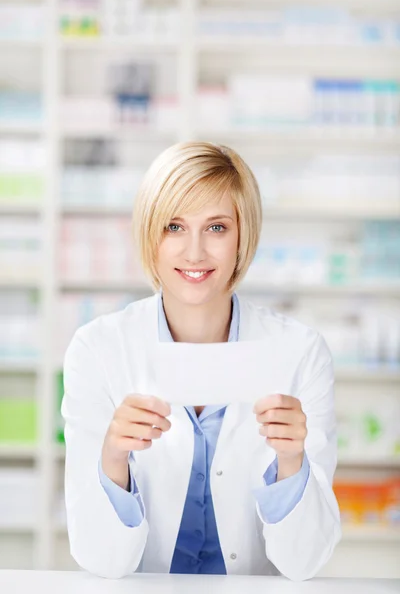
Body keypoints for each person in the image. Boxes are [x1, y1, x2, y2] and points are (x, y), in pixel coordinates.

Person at [61, 141, 341, 581]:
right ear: (149, 234)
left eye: (216, 227)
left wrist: (292, 463)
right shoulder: (97, 350)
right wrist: (114, 458)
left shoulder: (300, 353)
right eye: (174, 226)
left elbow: (304, 564)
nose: (194, 252)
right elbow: (100, 561)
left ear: (242, 236)